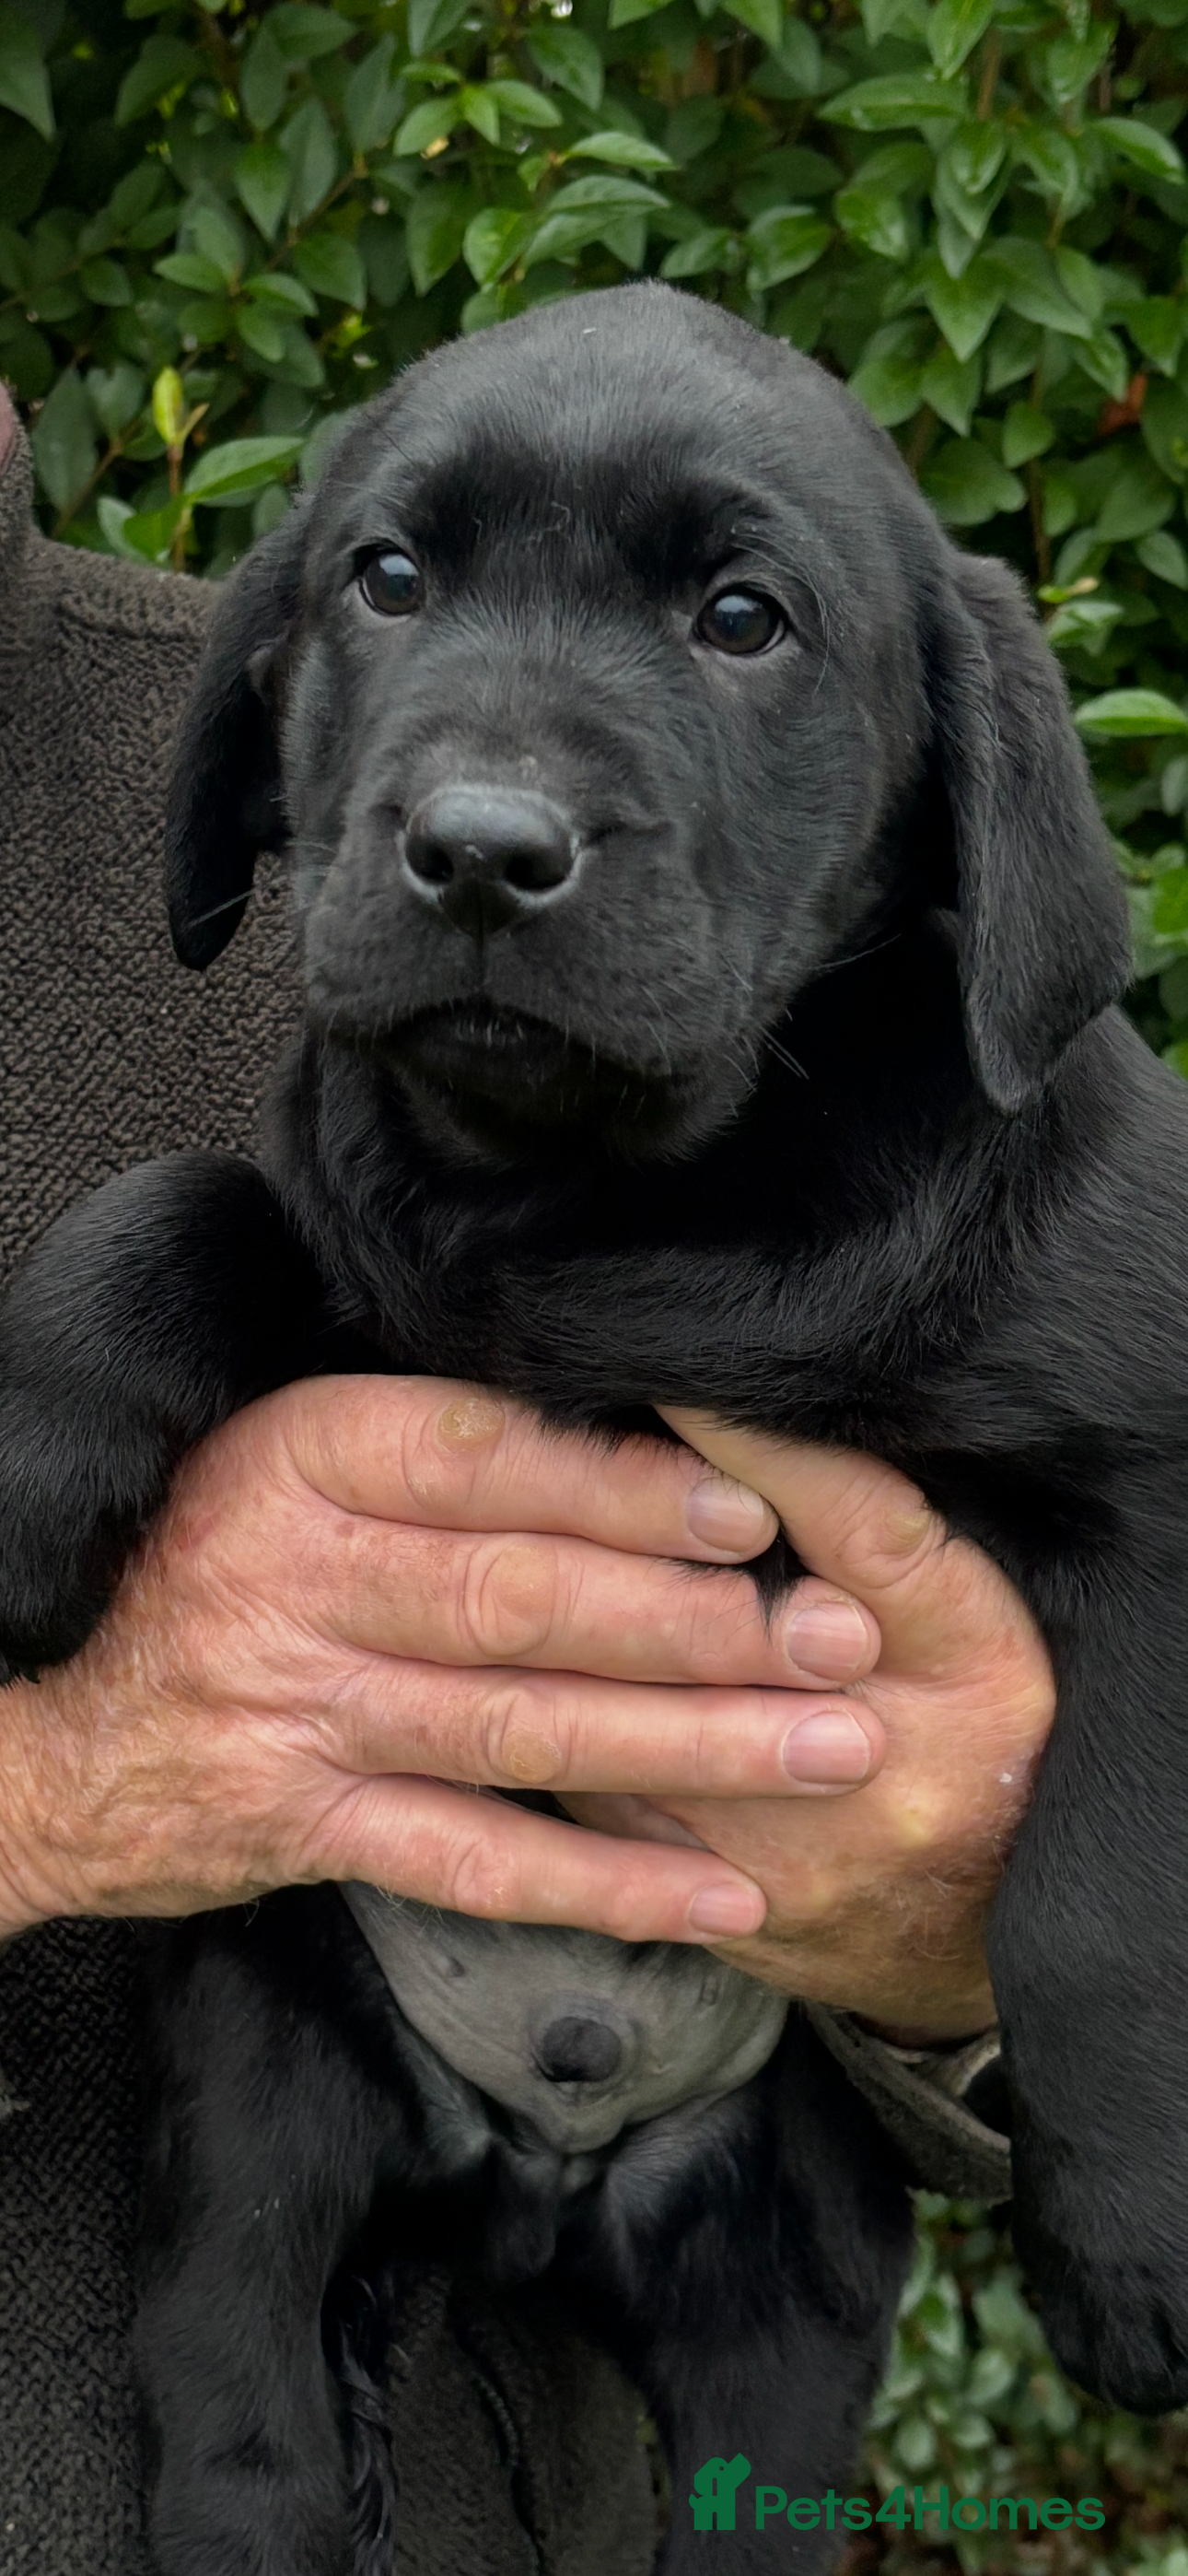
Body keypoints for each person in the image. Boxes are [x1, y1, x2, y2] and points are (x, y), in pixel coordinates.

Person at [0, 381, 1052, 2575]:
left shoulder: (315, 733)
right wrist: (52, 1782)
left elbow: (1006, 1889)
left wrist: (964, 1934)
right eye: (391, 579)